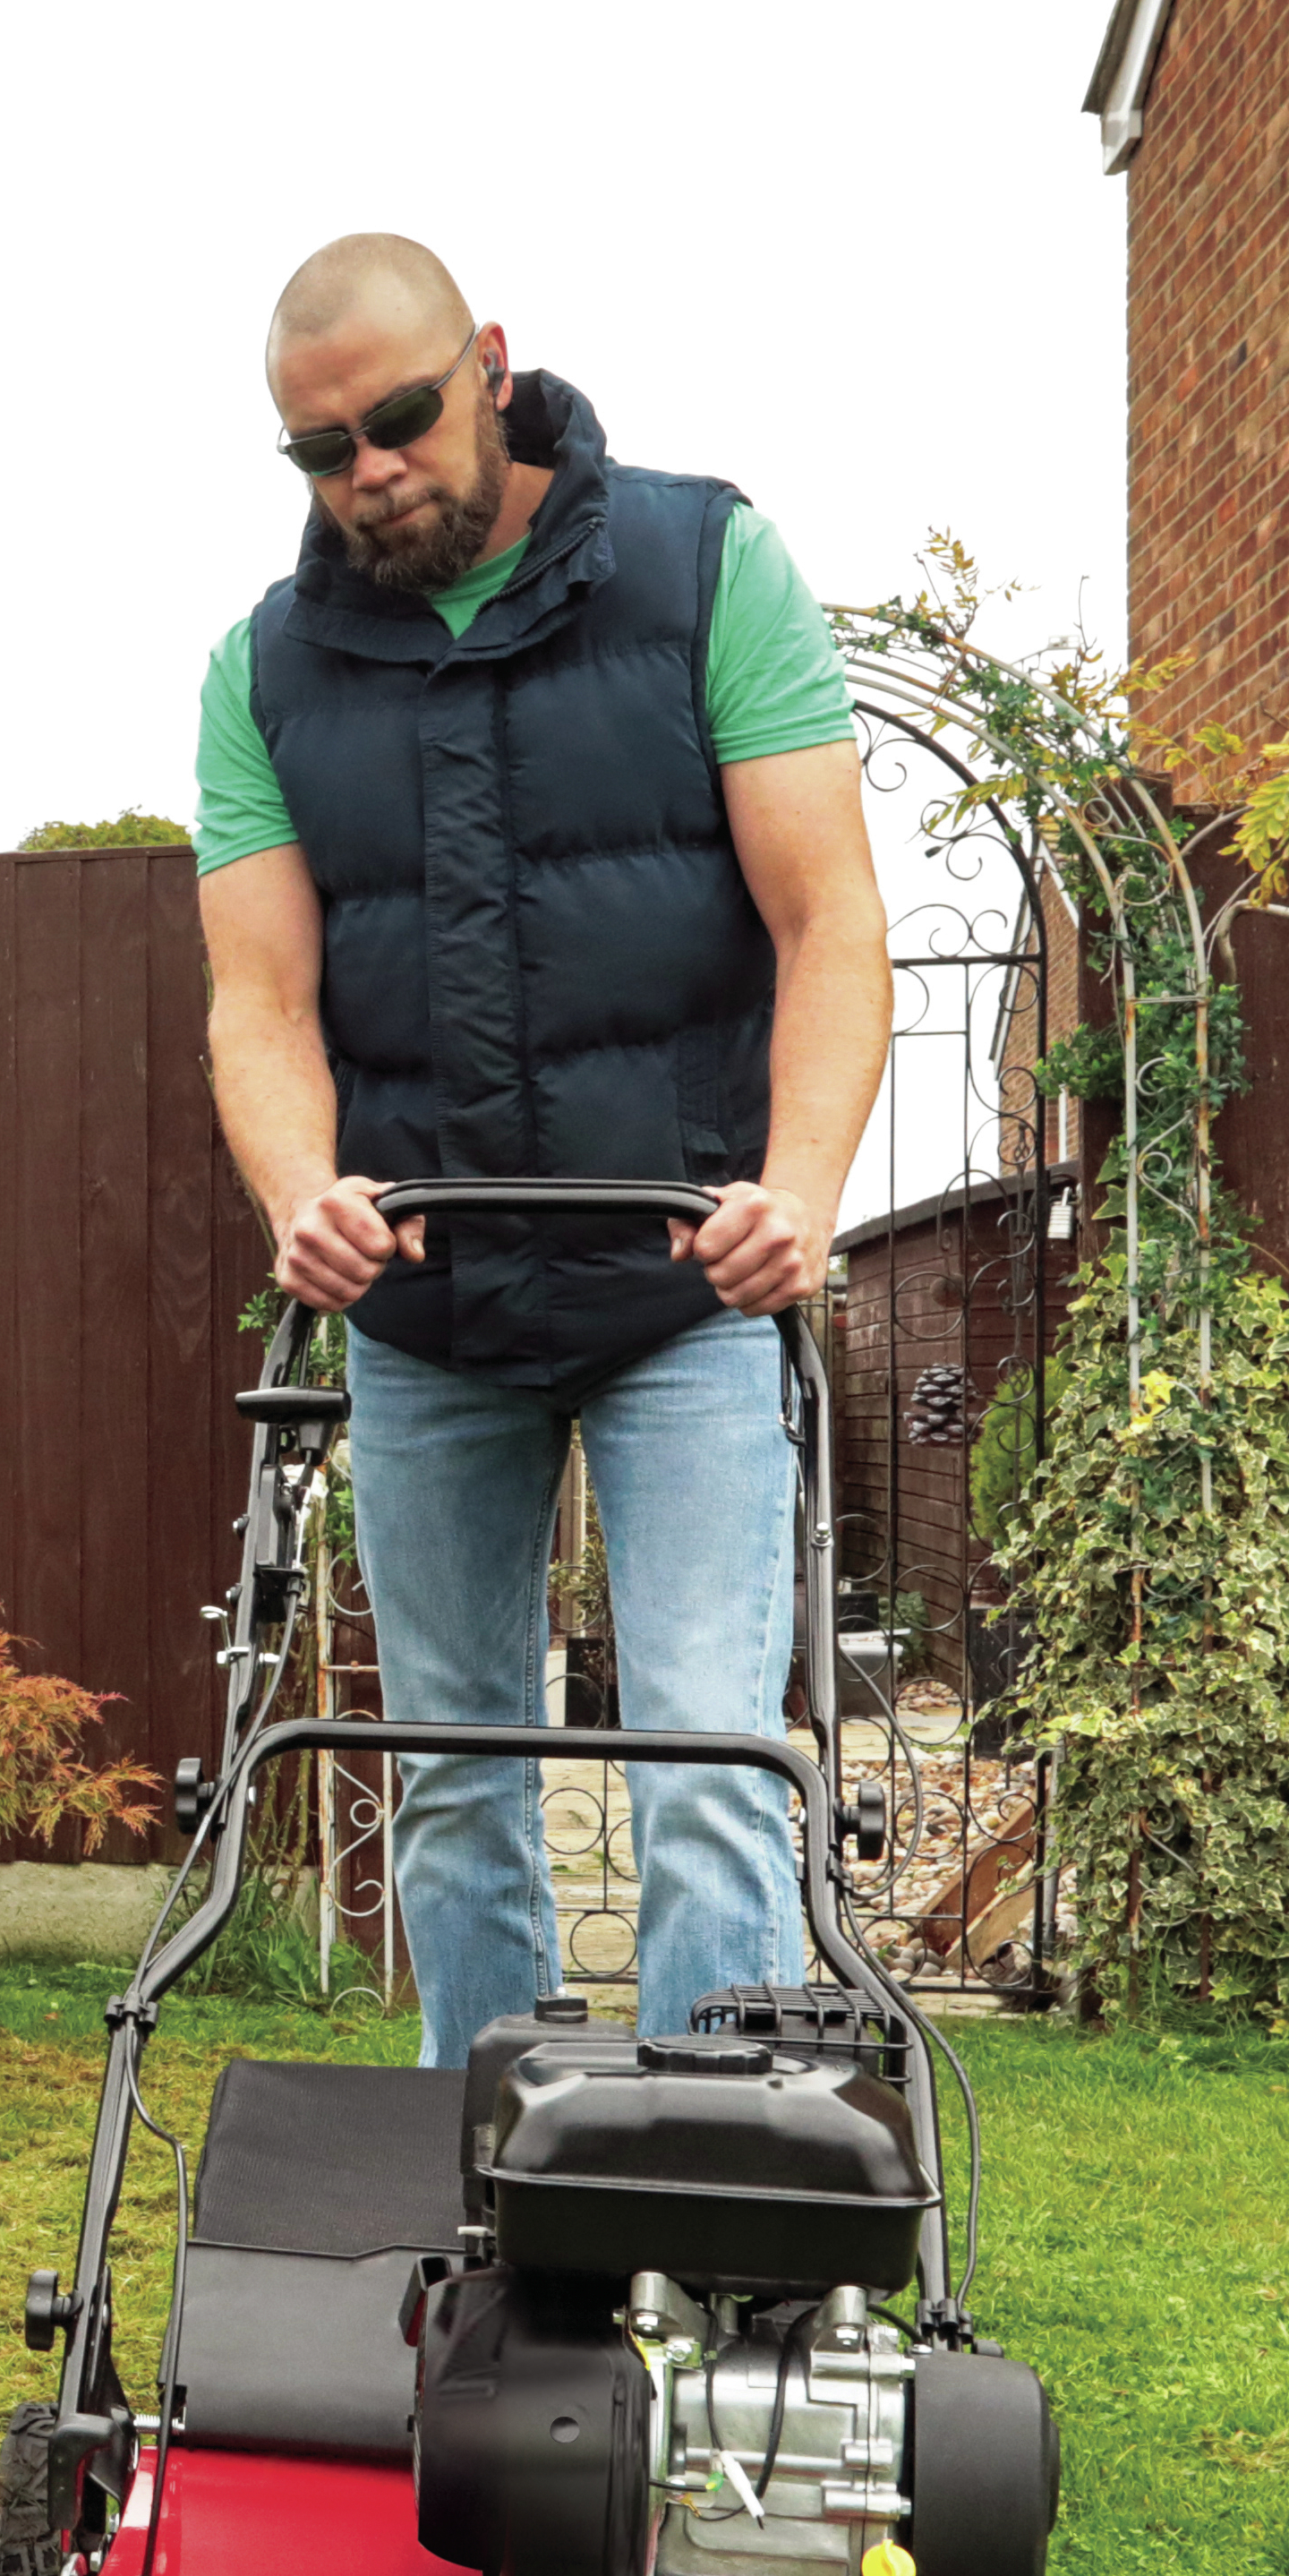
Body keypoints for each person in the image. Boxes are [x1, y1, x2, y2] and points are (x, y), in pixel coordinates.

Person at [192, 234, 890, 2063]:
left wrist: (801, 1194)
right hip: (430, 1317)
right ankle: (480, 2177)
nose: (369, 471)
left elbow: (829, 919)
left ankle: (704, 2174)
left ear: (490, 365)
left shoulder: (703, 566)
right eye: (321, 450)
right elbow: (259, 1003)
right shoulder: (265, 671)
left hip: (681, 1294)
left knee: (709, 1769)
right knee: (450, 1779)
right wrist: (303, 1193)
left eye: (400, 418)